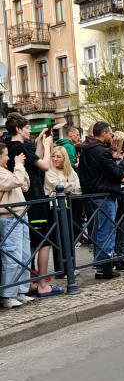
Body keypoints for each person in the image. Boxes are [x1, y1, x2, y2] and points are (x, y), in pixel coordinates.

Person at [6, 112, 62, 297]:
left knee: (29, 243)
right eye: (28, 128)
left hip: (27, 199)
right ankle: (42, 284)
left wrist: (39, 142)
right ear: (18, 129)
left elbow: (34, 161)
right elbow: (45, 165)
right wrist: (47, 146)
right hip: (35, 199)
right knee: (43, 242)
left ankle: (27, 283)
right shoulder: (17, 147)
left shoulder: (16, 146)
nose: (30, 130)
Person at [78, 121, 124, 279]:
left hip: (93, 193)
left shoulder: (87, 149)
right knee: (106, 229)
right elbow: (116, 173)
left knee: (99, 229)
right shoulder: (99, 151)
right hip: (103, 195)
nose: (111, 136)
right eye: (110, 133)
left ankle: (100, 264)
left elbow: (97, 173)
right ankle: (103, 267)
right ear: (103, 133)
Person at [0, 142, 35, 308]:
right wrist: (19, 166)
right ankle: (8, 294)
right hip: (8, 217)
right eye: (5, 154)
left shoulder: (7, 170)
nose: (8, 157)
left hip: (21, 214)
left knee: (23, 254)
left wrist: (21, 168)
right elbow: (14, 182)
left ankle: (21, 289)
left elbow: (24, 185)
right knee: (11, 255)